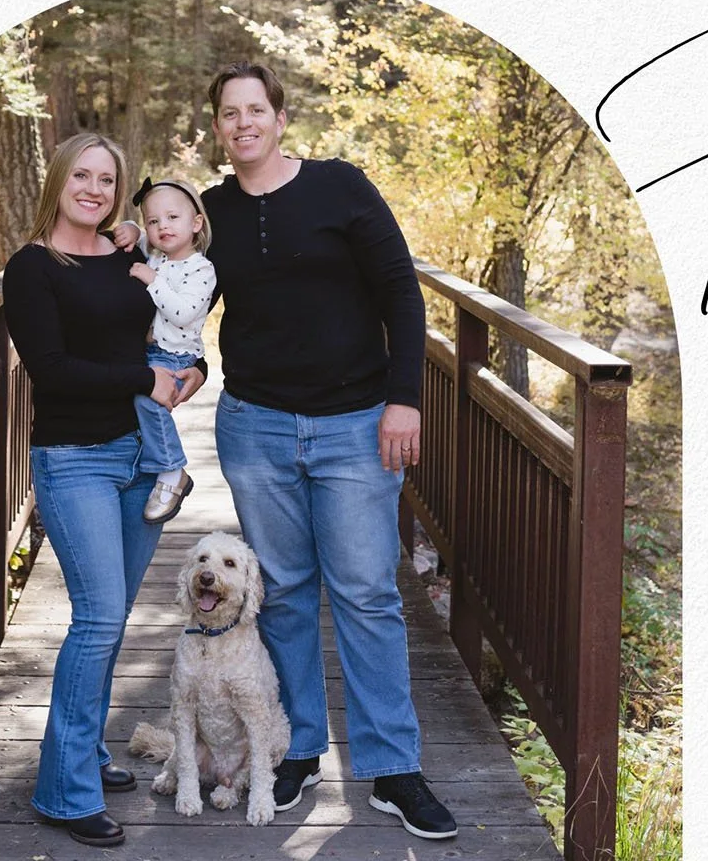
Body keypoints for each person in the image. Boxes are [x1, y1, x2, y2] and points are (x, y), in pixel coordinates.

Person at [196, 61, 456, 839]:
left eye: (255, 109)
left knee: (368, 593)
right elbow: (175, 298)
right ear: (218, 128)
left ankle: (390, 768)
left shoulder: (342, 186)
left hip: (353, 426)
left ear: (280, 117)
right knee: (283, 595)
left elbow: (401, 295)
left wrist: (403, 399)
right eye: (228, 114)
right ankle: (298, 748)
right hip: (256, 428)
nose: (243, 123)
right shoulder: (211, 213)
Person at [2, 133, 203, 848]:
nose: (93, 188)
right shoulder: (31, 268)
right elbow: (52, 370)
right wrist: (141, 380)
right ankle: (62, 791)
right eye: (81, 175)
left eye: (107, 179)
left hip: (140, 457)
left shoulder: (128, 255)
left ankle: (83, 753)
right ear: (58, 180)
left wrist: (187, 378)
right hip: (74, 457)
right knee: (97, 617)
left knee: (111, 619)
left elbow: (168, 333)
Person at [127, 176, 217, 524]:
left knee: (147, 401)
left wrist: (153, 281)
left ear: (196, 224)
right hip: (148, 352)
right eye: (153, 221)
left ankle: (171, 470)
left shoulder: (201, 269)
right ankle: (143, 469)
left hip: (175, 356)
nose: (162, 226)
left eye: (172, 218)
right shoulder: (156, 259)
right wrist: (131, 231)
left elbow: (183, 312)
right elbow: (136, 239)